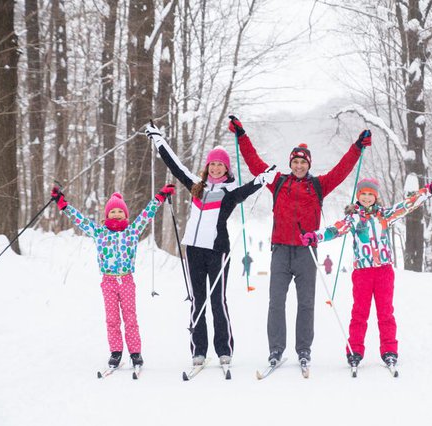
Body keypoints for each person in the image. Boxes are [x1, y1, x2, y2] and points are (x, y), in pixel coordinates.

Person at [228, 115, 370, 367]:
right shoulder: (279, 181)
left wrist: (357, 147)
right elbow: (254, 164)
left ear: (308, 164)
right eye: (295, 161)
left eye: (302, 162)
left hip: (307, 253)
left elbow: (341, 169)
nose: (298, 165)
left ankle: (304, 349)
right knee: (276, 302)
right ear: (290, 163)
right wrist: (241, 135)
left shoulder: (318, 185)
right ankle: (276, 350)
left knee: (306, 304)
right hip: (281, 250)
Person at [145, 122, 276, 368]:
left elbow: (248, 189)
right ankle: (199, 350)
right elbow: (176, 166)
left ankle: (224, 349)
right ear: (208, 166)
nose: (216, 168)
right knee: (197, 301)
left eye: (220, 164)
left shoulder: (230, 191)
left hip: (218, 251)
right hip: (193, 250)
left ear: (226, 168)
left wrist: (264, 178)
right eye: (212, 164)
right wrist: (159, 140)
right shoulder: (197, 186)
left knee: (217, 301)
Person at [300, 177, 432, 368]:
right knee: (359, 313)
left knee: (386, 313)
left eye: (370, 194)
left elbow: (407, 205)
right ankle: (355, 351)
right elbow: (335, 229)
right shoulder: (353, 218)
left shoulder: (385, 215)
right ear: (358, 196)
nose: (367, 198)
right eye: (363, 194)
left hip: (384, 271)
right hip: (363, 273)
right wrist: (315, 236)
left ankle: (389, 351)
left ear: (375, 196)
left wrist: (429, 190)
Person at [50, 183, 176, 369]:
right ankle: (116, 352)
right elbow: (81, 221)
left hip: (126, 280)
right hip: (108, 281)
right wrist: (63, 205)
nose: (116, 214)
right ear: (106, 215)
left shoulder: (132, 231)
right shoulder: (99, 232)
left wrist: (160, 197)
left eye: (120, 211)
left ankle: (135, 353)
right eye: (112, 211)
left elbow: (146, 215)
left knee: (130, 318)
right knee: (112, 319)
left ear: (125, 215)